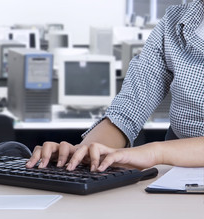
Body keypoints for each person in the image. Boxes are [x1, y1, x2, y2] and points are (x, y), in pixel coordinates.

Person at [26, 0, 204, 172]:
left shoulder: (158, 152)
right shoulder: (174, 22)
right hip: (180, 174)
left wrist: (156, 152)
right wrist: (84, 153)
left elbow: (155, 153)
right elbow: (126, 113)